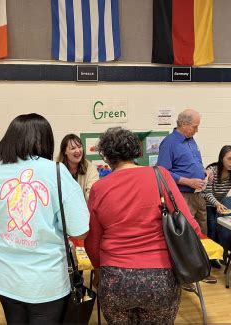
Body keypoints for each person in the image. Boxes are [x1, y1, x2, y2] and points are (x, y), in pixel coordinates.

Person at [0, 114, 89, 324]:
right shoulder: (55, 172)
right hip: (46, 281)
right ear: (45, 140)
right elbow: (79, 230)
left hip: (6, 278)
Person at [85, 127, 203, 324]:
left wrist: (99, 271)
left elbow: (92, 241)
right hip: (160, 276)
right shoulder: (161, 176)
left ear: (106, 157)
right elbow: (191, 225)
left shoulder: (99, 188)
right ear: (136, 151)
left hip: (115, 278)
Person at [157, 108, 217, 286]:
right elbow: (162, 172)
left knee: (201, 232)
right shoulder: (169, 143)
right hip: (182, 195)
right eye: (195, 127)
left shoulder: (191, 140)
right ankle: (186, 275)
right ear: (183, 124)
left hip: (198, 195)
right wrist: (188, 182)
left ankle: (201, 270)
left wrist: (204, 172)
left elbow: (190, 164)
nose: (197, 130)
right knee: (186, 236)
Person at [202, 145, 231, 268]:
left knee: (226, 227)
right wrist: (216, 203)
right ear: (222, 158)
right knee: (211, 228)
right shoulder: (212, 170)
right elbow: (206, 193)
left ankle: (222, 255)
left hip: (220, 203)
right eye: (229, 158)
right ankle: (210, 259)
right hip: (206, 203)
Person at [57, 134, 99, 202]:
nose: (78, 151)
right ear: (64, 151)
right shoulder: (56, 168)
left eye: (79, 147)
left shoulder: (90, 168)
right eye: (73, 148)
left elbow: (91, 193)